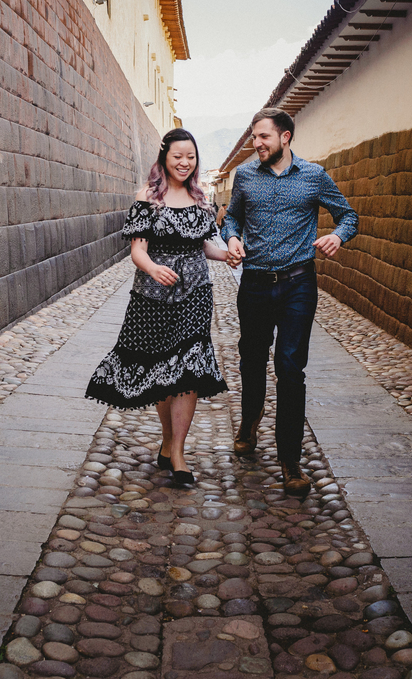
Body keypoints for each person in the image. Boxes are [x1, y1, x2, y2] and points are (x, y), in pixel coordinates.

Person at [221, 108, 358, 496]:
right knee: (251, 357)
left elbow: (348, 216)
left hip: (299, 283)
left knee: (290, 368)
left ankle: (290, 459)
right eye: (254, 137)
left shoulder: (314, 176)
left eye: (263, 136)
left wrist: (338, 237)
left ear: (285, 138)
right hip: (255, 283)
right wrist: (231, 238)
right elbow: (231, 218)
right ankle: (250, 421)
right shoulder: (245, 175)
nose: (256, 143)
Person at [86, 128, 231, 487]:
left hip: (195, 293)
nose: (185, 163)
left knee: (189, 369)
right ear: (165, 156)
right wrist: (153, 267)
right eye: (178, 156)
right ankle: (167, 443)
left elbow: (204, 247)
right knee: (163, 370)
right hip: (152, 296)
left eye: (191, 157)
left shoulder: (200, 200)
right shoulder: (148, 197)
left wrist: (227, 254)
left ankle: (178, 452)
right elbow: (137, 250)